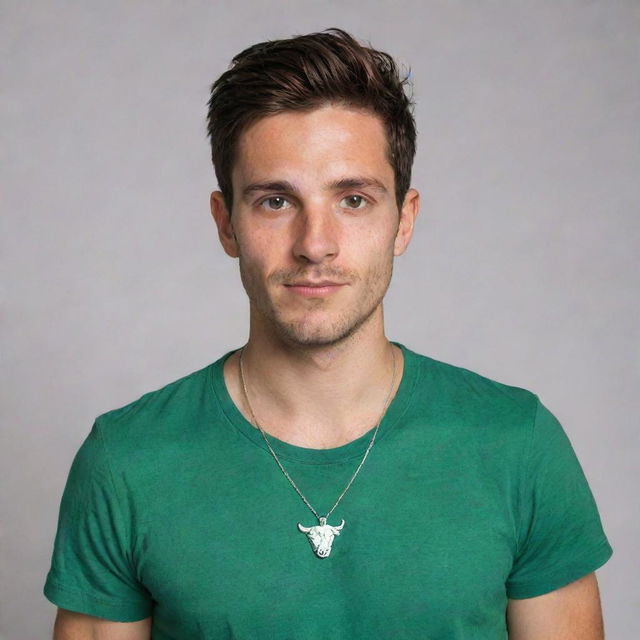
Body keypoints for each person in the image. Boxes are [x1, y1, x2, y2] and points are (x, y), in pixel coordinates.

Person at [44, 28, 612, 639]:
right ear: (226, 223)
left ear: (404, 220)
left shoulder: (516, 445)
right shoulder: (129, 462)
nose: (315, 243)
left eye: (354, 200)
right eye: (275, 202)